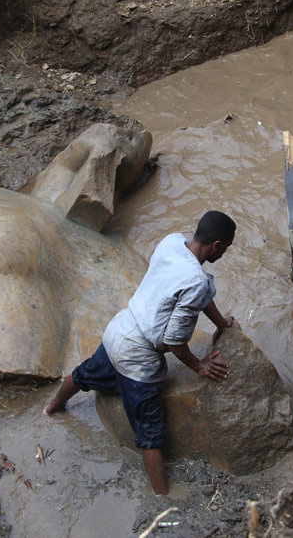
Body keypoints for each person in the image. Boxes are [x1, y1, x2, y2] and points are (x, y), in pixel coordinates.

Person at [44, 211, 237, 495]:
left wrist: (221, 324)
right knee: (151, 436)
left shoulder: (173, 243)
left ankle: (52, 408)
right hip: (138, 355)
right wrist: (199, 366)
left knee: (84, 374)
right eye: (227, 247)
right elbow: (173, 340)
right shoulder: (197, 281)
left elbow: (194, 293)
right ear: (217, 245)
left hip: (119, 329)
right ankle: (161, 498)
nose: (225, 252)